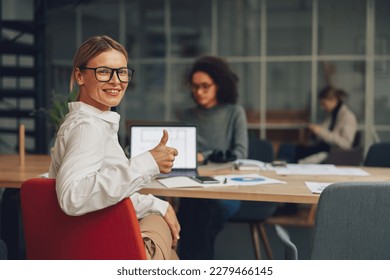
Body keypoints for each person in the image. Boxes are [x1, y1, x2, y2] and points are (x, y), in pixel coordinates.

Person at [48, 35, 180, 260]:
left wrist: (155, 204)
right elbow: (74, 196)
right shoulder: (86, 127)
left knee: (160, 223)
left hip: (93, 233)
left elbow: (106, 194)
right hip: (92, 243)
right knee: (160, 233)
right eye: (103, 71)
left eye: (122, 72)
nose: (116, 81)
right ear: (80, 76)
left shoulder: (96, 121)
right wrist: (148, 161)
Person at [176, 55, 248, 259]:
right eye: (194, 86)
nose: (198, 92)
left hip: (225, 188)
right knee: (193, 207)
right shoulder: (187, 115)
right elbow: (182, 152)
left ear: (219, 85)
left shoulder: (235, 113)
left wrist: (202, 156)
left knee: (201, 211)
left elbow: (240, 154)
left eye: (205, 86)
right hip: (192, 186)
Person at [277, 86, 358, 163]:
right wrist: (314, 132)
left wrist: (320, 131)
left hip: (331, 154)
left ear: (333, 100)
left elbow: (345, 144)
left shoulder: (348, 117)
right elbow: (323, 136)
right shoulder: (330, 115)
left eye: (324, 104)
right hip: (320, 148)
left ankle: (286, 173)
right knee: (285, 147)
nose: (322, 107)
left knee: (288, 151)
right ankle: (283, 172)